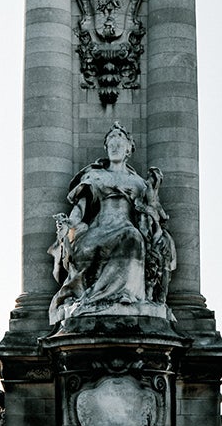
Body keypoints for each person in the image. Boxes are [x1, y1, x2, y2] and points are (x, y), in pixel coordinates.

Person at [48, 124, 175, 324]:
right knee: (128, 236)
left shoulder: (139, 183)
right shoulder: (94, 176)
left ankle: (127, 294)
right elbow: (80, 209)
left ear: (128, 150)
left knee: (132, 237)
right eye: (111, 143)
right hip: (96, 232)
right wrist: (69, 225)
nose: (115, 146)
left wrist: (153, 191)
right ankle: (100, 297)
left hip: (127, 230)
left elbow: (151, 213)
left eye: (120, 142)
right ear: (106, 148)